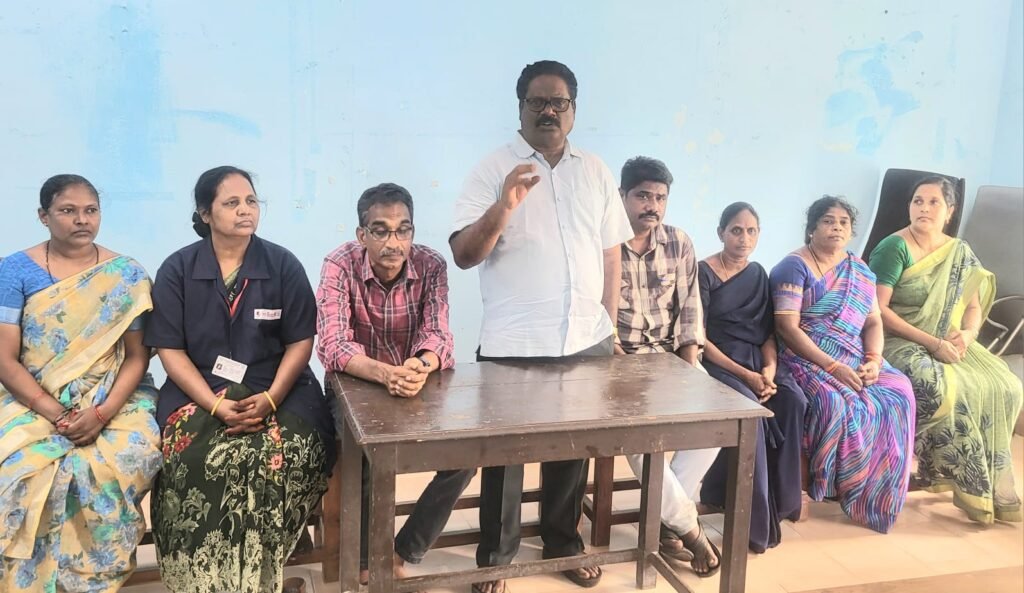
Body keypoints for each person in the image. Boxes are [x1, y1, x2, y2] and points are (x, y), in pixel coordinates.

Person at [450, 60, 633, 592]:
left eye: (559, 102)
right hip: (515, 341)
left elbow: (611, 254)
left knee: (572, 451)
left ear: (573, 110)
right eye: (537, 101)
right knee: (504, 458)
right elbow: (463, 254)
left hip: (585, 337)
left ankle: (562, 543)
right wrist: (503, 206)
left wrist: (609, 326)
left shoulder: (594, 170)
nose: (548, 111)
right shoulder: (492, 169)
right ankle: (497, 559)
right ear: (521, 108)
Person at [145, 166, 335, 593]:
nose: (245, 210)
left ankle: (262, 574)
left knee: (285, 454)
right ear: (205, 213)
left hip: (278, 387)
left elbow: (300, 341)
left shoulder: (282, 264)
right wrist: (214, 405)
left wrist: (271, 399)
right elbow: (169, 350)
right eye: (231, 203)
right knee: (192, 460)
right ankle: (204, 582)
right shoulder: (178, 269)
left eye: (251, 201)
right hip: (199, 390)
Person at [0, 174, 161, 592]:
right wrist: (56, 412)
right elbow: (4, 359)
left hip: (115, 396)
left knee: (118, 461)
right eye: (67, 211)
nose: (81, 220)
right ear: (43, 216)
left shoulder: (125, 275)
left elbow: (137, 357)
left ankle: (92, 582)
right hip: (31, 396)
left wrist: (101, 413)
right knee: (16, 471)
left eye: (90, 210)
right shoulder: (14, 270)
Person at [316, 182, 473, 589]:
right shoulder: (339, 264)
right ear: (362, 234)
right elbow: (333, 344)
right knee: (366, 452)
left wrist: (420, 365)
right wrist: (386, 374)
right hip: (356, 385)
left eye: (403, 230)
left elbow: (439, 334)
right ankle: (366, 558)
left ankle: (404, 550)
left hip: (414, 382)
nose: (394, 242)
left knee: (467, 453)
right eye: (381, 230)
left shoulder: (431, 264)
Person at [868, 176, 1023, 524]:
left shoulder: (960, 252)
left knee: (1007, 386)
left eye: (933, 202)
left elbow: (973, 307)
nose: (923, 208)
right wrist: (933, 343)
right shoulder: (894, 247)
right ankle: (957, 477)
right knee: (939, 386)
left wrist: (968, 335)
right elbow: (878, 310)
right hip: (897, 340)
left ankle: (992, 487)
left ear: (949, 211)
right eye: (918, 201)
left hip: (950, 340)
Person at [769, 196, 915, 533]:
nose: (836, 227)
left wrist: (873, 360)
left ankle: (874, 488)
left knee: (899, 392)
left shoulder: (860, 271)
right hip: (806, 358)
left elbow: (873, 322)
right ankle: (836, 483)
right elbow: (787, 328)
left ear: (851, 231)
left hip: (854, 355)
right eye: (828, 221)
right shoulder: (794, 267)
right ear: (811, 229)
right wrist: (833, 367)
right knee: (835, 402)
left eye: (843, 222)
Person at [613, 156, 721, 577]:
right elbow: (595, 317)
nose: (652, 205)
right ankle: (690, 530)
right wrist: (618, 365)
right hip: (619, 363)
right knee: (643, 439)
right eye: (643, 196)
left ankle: (664, 521)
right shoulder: (603, 243)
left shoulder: (679, 241)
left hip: (671, 359)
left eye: (660, 197)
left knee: (714, 419)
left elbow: (690, 308)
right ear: (622, 195)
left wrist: (690, 371)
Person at [698, 202, 807, 553]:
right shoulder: (703, 273)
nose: (743, 238)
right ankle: (753, 522)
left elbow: (768, 334)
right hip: (718, 364)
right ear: (721, 233)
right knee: (753, 415)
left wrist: (769, 370)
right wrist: (747, 375)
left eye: (751, 231)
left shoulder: (759, 274)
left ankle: (783, 503)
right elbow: (700, 339)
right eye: (736, 230)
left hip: (758, 361)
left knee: (793, 400)